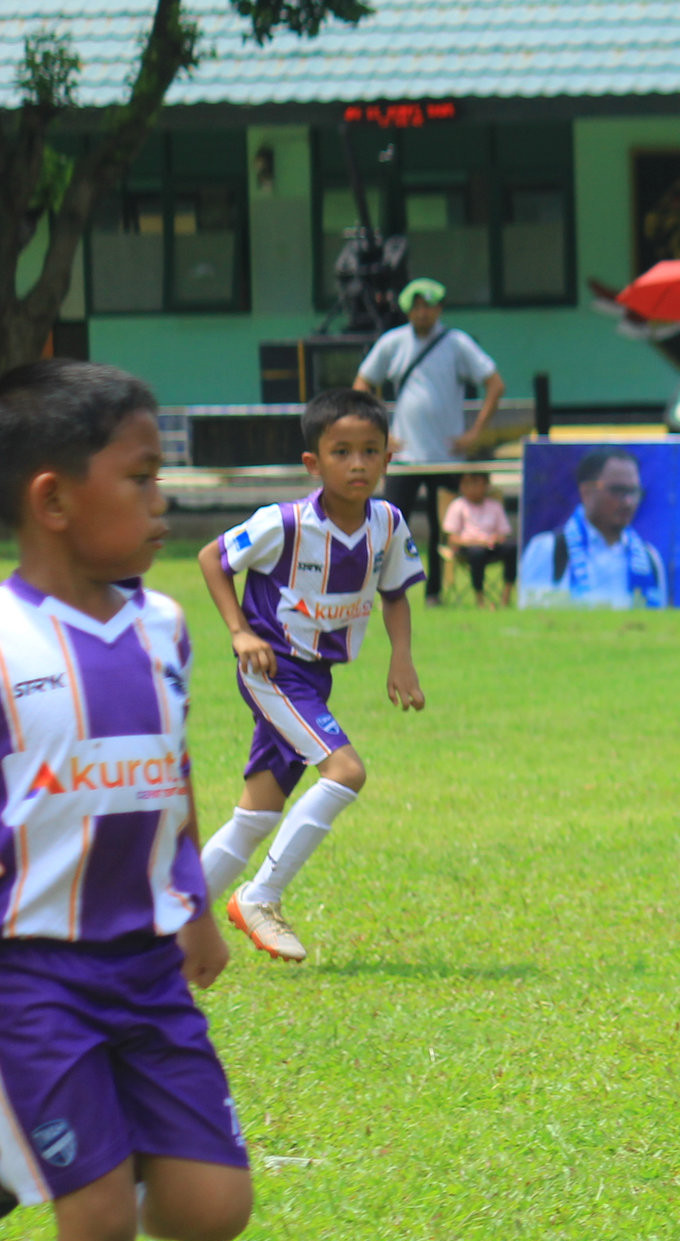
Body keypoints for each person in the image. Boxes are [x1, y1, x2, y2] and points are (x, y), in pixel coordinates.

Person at [0, 359, 252, 1241]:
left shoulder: (161, 623)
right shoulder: (2, 641)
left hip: (146, 966)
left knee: (211, 1206)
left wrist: (193, 895)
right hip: (32, 972)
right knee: (98, 1215)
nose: (165, 501)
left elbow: (171, 765)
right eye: (143, 478)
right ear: (55, 500)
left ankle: (27, 1161)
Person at [197, 390, 427, 965]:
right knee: (346, 771)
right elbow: (212, 558)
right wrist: (238, 631)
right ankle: (260, 898)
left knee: (255, 817)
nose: (357, 463)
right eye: (341, 451)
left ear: (387, 459)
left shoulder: (389, 523)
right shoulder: (285, 523)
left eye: (370, 451)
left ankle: (163, 922)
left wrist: (402, 657)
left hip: (317, 678)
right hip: (272, 669)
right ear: (313, 463)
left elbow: (396, 594)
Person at [353, 278, 503, 607]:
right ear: (408, 310)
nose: (422, 312)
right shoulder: (392, 343)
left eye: (428, 306)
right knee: (391, 526)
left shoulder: (457, 343)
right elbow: (362, 383)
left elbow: (494, 383)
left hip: (446, 456)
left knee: (442, 529)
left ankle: (434, 593)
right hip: (404, 457)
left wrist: (475, 432)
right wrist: (380, 435)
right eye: (416, 306)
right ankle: (388, 591)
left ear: (439, 309)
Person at [519, 450, 669, 610]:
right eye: (618, 490)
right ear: (586, 491)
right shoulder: (549, 549)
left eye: (634, 492)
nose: (628, 502)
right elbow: (532, 620)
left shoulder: (649, 558)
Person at [440, 467, 516, 608]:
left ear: (486, 485)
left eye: (476, 483)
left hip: (492, 546)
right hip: (468, 548)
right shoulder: (458, 506)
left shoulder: (495, 506)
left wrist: (495, 538)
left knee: (513, 547)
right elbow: (452, 538)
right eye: (467, 484)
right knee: (477, 553)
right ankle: (479, 599)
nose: (472, 488)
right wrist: (477, 541)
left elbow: (504, 532)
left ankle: (506, 596)